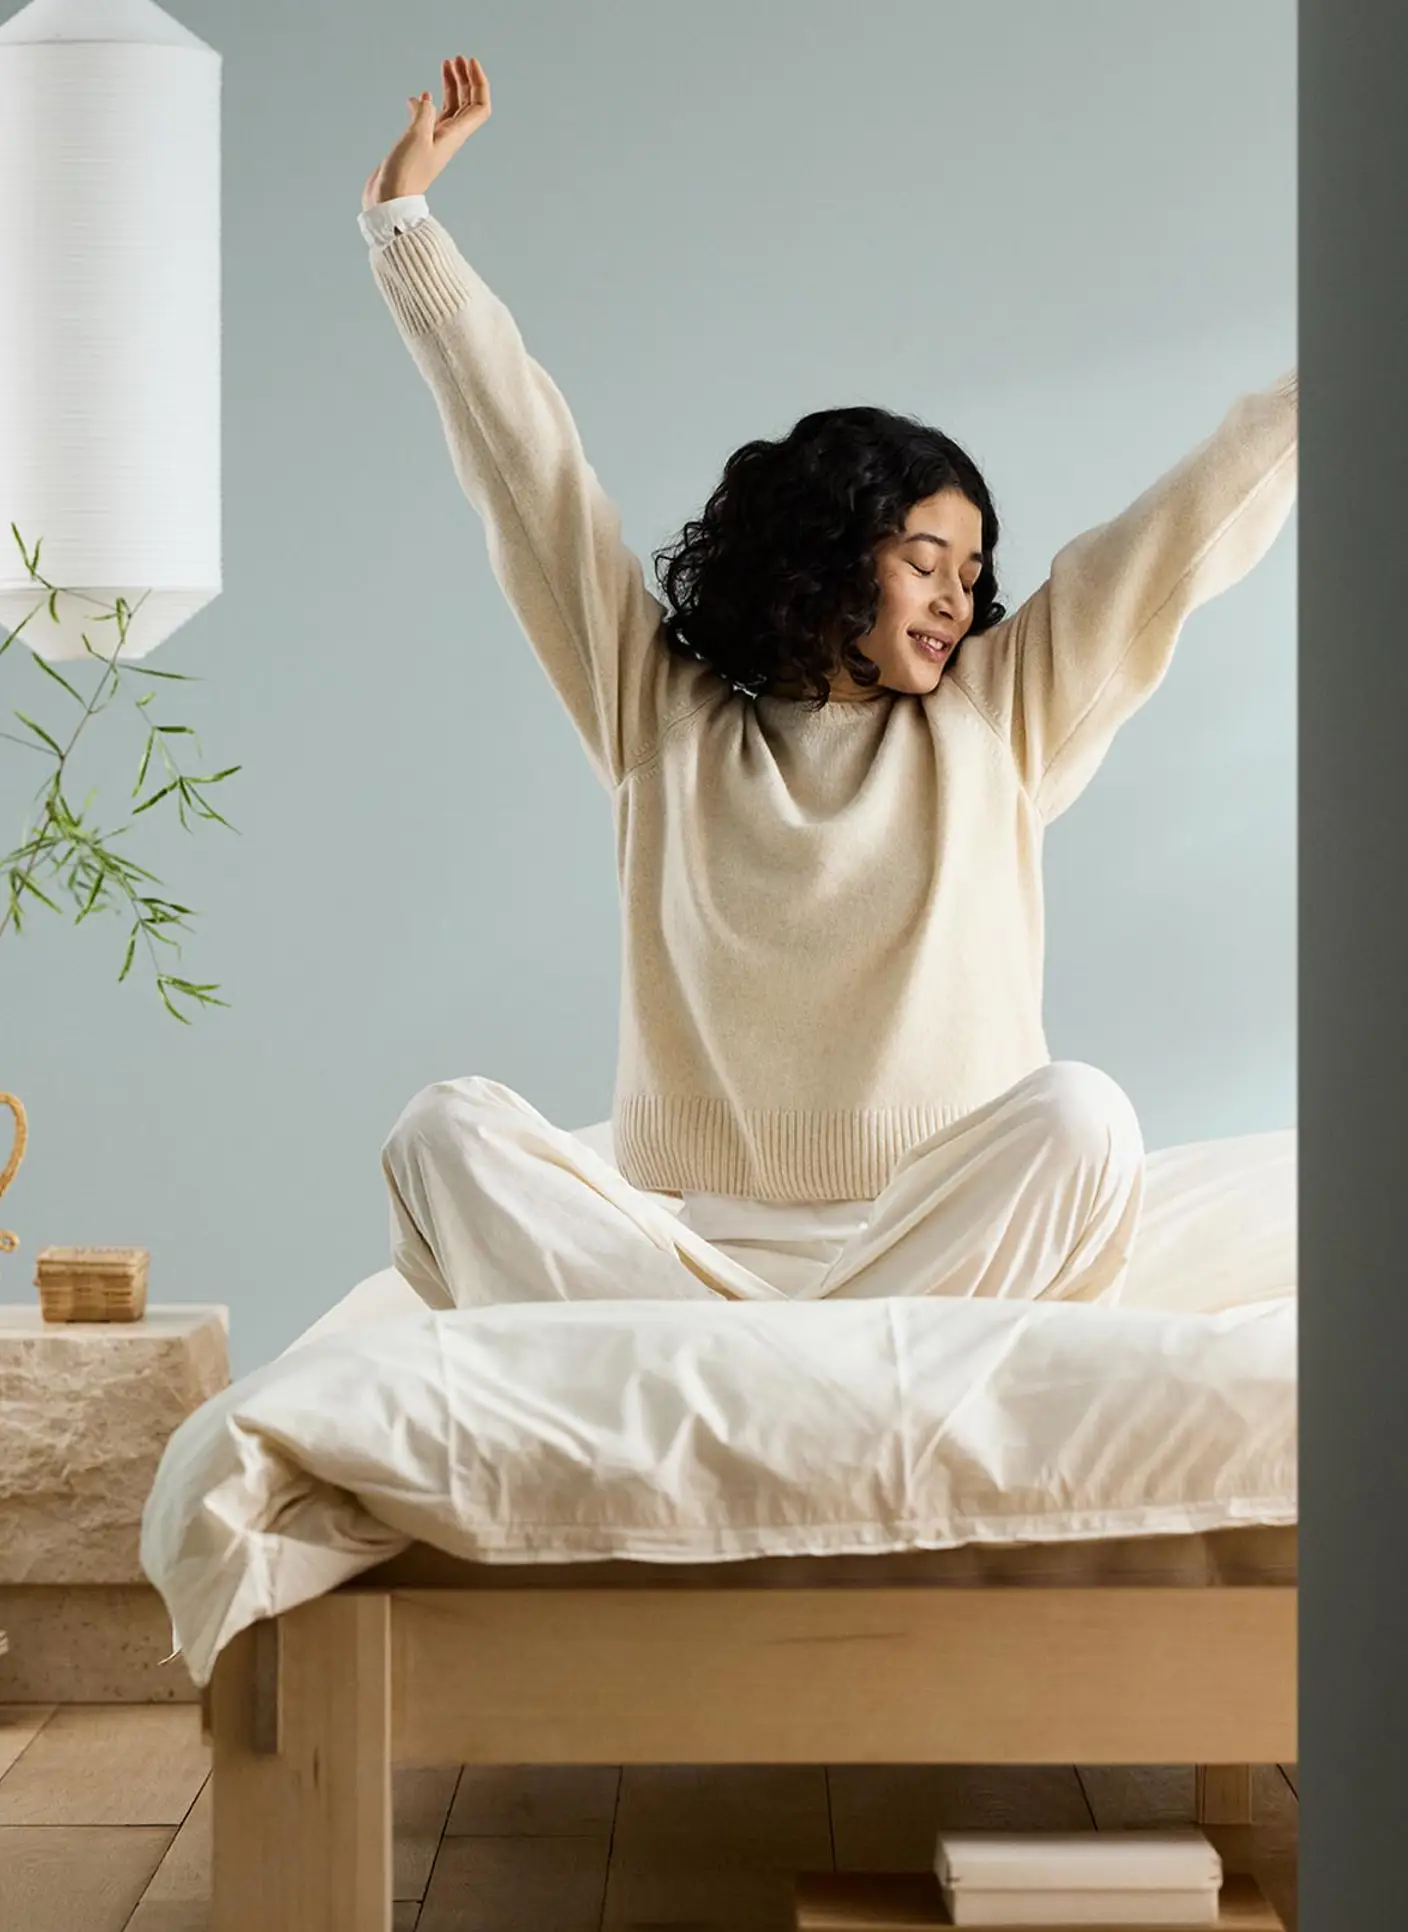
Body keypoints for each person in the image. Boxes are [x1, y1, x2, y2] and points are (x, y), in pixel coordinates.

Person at [362, 55, 1298, 1311]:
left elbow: (1178, 539)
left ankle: (787, 1367)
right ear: (826, 556)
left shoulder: (996, 718)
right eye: (926, 560)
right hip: (697, 1252)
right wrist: (406, 230)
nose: (960, 597)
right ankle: (799, 1361)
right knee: (442, 1132)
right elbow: (530, 476)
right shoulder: (663, 721)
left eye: (972, 571)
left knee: (1083, 1117)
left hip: (936, 1232)